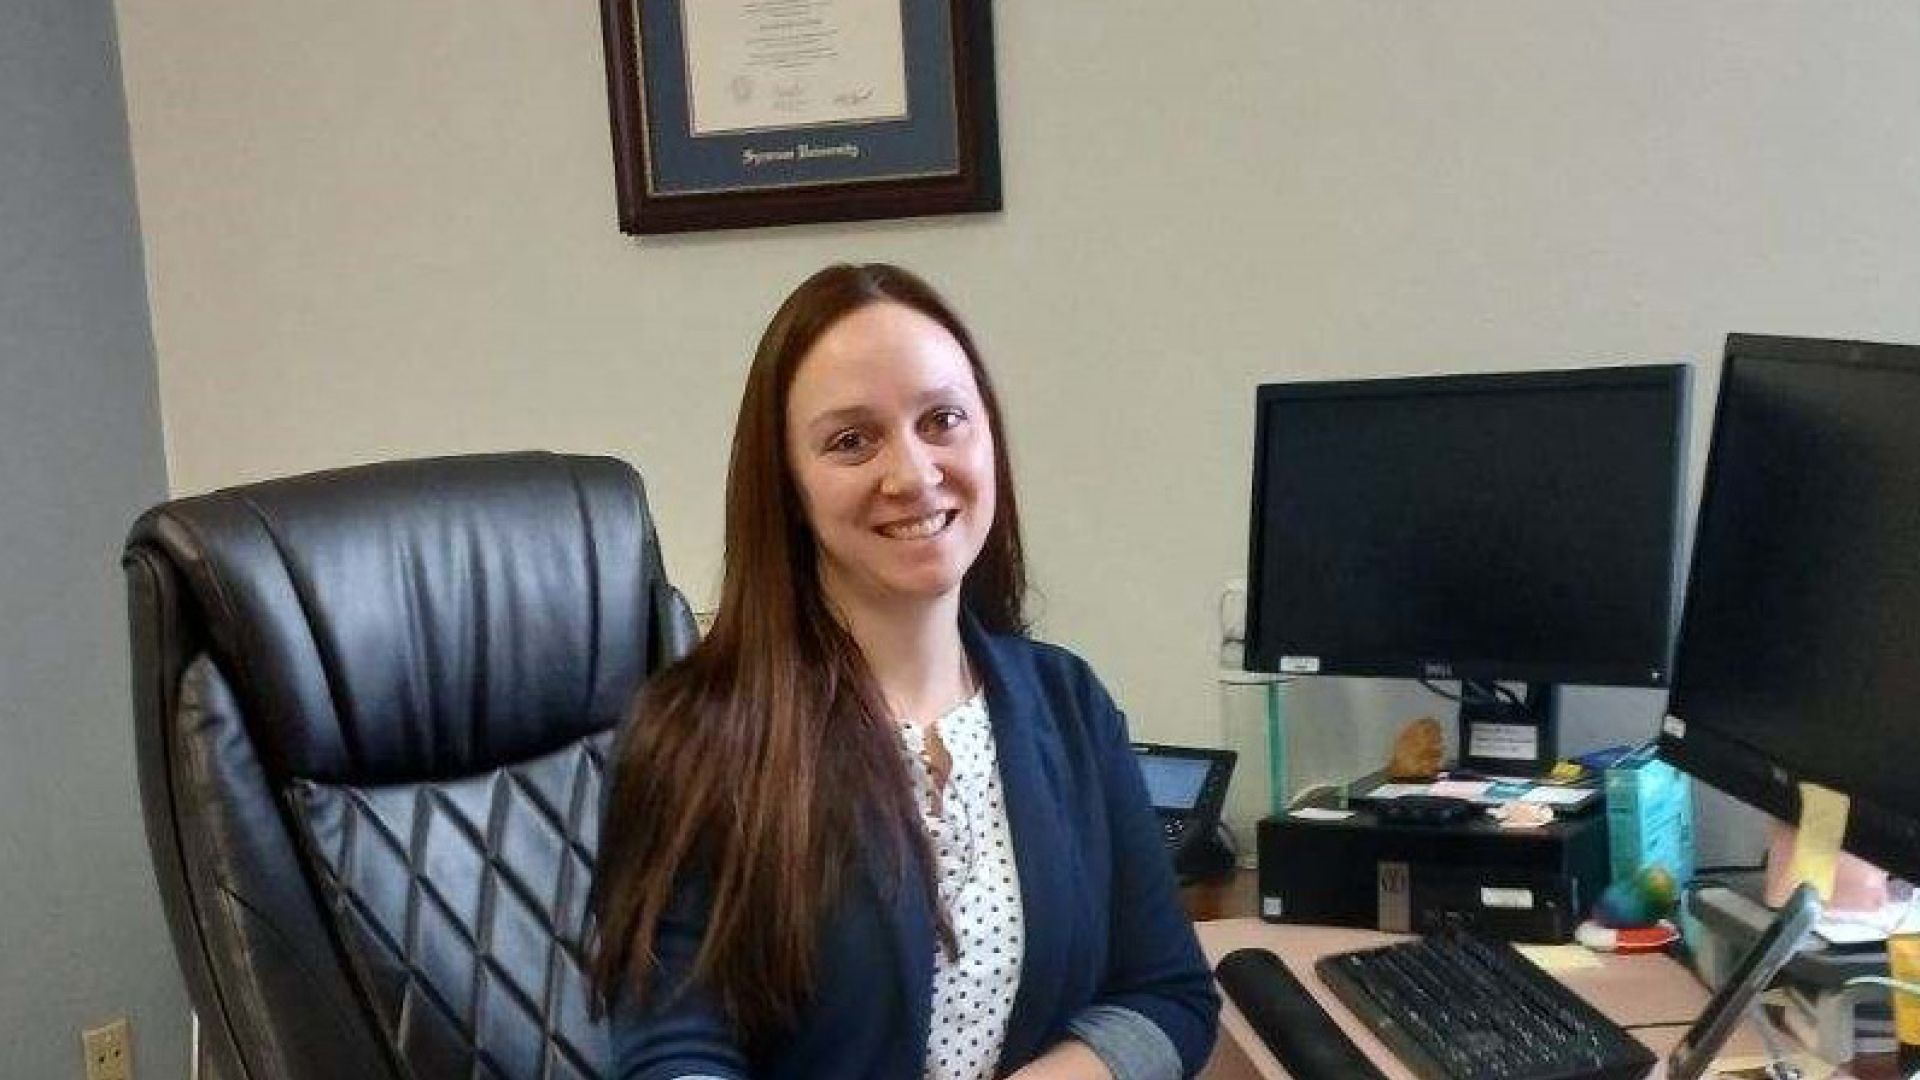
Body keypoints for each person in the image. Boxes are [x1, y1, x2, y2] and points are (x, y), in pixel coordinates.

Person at [589, 263, 1219, 1080]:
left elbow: (1169, 995)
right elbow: (674, 1056)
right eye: (852, 440)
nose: (914, 475)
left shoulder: (1068, 704)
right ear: (788, 485)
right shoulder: (696, 736)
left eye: (942, 420)